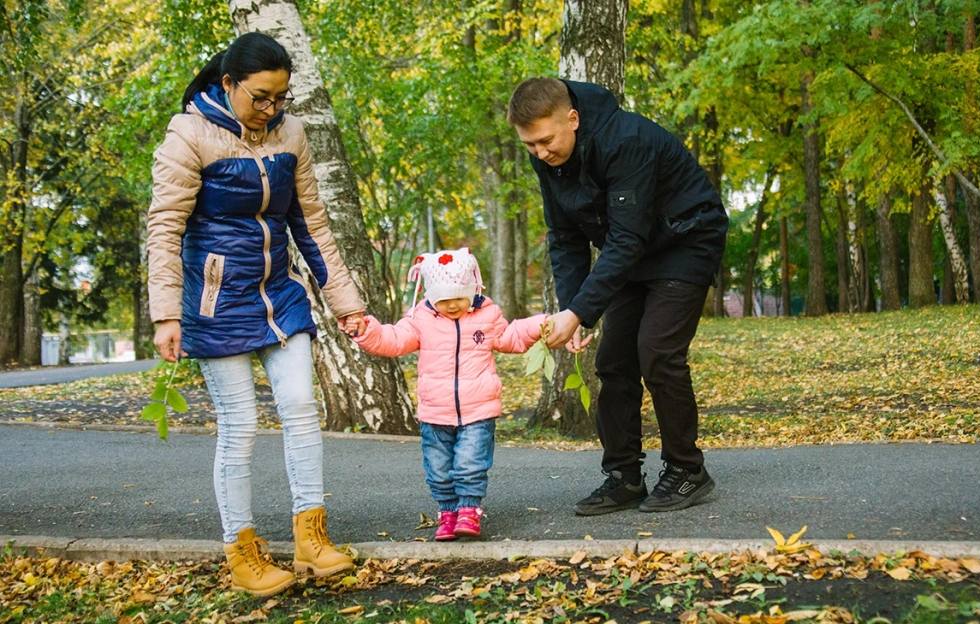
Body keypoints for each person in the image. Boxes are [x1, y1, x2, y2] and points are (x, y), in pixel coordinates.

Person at [148, 32, 365, 597]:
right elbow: (165, 228)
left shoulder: (290, 132)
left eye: (281, 98)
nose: (271, 109)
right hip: (215, 301)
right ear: (229, 84)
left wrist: (346, 302)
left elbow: (311, 223)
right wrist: (165, 314)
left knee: (300, 407)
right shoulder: (189, 133)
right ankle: (242, 552)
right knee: (239, 426)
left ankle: (311, 539)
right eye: (260, 97)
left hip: (279, 294)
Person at [507, 77, 728, 516]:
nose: (540, 153)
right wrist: (573, 308)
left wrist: (580, 311)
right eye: (530, 146)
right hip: (635, 248)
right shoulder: (547, 158)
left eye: (546, 141)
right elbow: (565, 235)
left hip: (686, 240)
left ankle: (687, 470)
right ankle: (624, 476)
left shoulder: (626, 140)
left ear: (572, 118)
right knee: (613, 362)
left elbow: (626, 239)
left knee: (657, 352)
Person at [343, 247, 545, 540]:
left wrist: (541, 324)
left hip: (478, 409)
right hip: (435, 411)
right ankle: (447, 512)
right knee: (438, 468)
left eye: (458, 299)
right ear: (431, 296)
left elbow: (512, 337)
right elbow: (393, 340)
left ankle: (469, 510)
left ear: (471, 289)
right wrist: (366, 331)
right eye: (443, 300)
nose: (451, 306)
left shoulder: (486, 315)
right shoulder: (420, 319)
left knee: (470, 463)